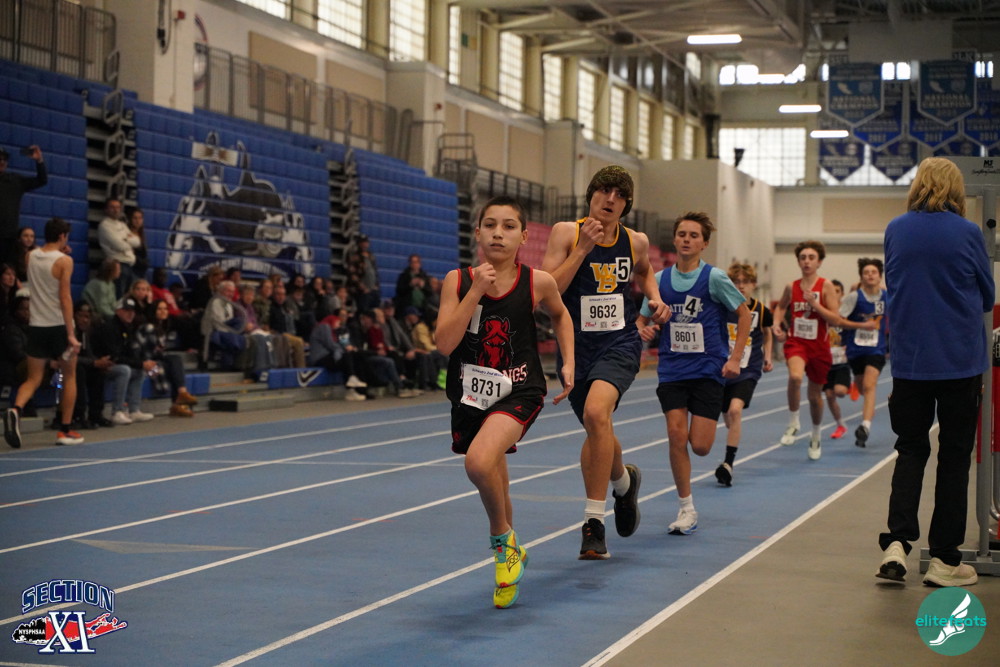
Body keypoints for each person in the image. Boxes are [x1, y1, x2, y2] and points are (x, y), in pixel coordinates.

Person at [436, 195, 574, 608]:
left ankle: (502, 543)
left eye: (509, 226)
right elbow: (444, 343)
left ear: (524, 236)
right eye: (491, 225)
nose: (499, 233)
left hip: (519, 389)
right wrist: (476, 290)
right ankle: (511, 560)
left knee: (479, 462)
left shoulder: (537, 282)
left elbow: (561, 315)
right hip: (470, 395)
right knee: (496, 476)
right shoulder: (457, 281)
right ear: (477, 232)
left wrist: (568, 362)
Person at [541, 165, 668, 559]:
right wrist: (582, 250)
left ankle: (593, 523)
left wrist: (654, 298)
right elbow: (547, 291)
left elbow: (645, 272)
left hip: (620, 342)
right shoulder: (566, 233)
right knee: (598, 428)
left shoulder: (635, 241)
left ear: (626, 204)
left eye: (619, 195)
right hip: (576, 349)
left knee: (597, 414)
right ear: (591, 195)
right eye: (604, 191)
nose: (610, 199)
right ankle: (624, 484)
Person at [876, 158, 992, 587]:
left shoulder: (895, 229)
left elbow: (896, 283)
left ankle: (897, 543)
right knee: (954, 458)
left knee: (910, 450)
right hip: (959, 360)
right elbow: (987, 294)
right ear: (956, 189)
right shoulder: (968, 232)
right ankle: (944, 559)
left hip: (910, 361)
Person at [637, 213, 750, 533]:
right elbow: (641, 320)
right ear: (675, 239)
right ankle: (686, 507)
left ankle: (691, 491)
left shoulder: (715, 278)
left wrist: (735, 358)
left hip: (707, 370)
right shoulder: (659, 280)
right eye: (682, 234)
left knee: (700, 446)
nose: (687, 239)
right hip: (672, 369)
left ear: (704, 243)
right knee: (676, 435)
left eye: (694, 235)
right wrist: (642, 330)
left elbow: (744, 315)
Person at [3, 217, 84, 448]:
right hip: (59, 325)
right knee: (69, 376)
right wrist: (71, 333)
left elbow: (43, 258)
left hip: (36, 327)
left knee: (33, 378)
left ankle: (15, 409)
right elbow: (65, 297)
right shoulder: (65, 261)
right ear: (62, 236)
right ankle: (65, 430)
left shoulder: (31, 256)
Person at [771, 240, 841, 461]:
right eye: (803, 258)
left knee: (814, 397)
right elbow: (781, 307)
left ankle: (816, 434)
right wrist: (776, 324)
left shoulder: (826, 286)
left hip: (819, 347)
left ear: (819, 262)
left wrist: (816, 305)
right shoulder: (791, 286)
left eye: (811, 258)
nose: (807, 261)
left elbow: (835, 319)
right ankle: (793, 423)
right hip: (797, 343)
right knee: (795, 377)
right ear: (798, 261)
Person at [713, 263, 773, 486]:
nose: (740, 286)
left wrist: (767, 356)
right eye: (736, 282)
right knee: (728, 417)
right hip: (722, 369)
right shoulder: (722, 307)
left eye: (745, 282)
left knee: (735, 410)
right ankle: (734, 436)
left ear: (753, 285)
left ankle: (728, 464)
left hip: (748, 369)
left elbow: (767, 334)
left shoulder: (761, 310)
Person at [838, 259, 887, 448]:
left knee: (869, 385)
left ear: (880, 276)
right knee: (863, 389)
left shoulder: (887, 297)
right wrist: (861, 325)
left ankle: (865, 426)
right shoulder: (853, 297)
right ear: (861, 277)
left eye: (873, 272)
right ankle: (866, 419)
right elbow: (838, 321)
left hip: (876, 349)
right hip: (855, 350)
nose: (870, 275)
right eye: (866, 272)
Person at [92, 296, 154, 425]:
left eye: (132, 311)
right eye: (126, 310)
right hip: (100, 365)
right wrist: (140, 363)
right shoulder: (109, 327)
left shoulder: (127, 327)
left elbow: (130, 352)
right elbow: (114, 356)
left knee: (139, 371)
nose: (130, 314)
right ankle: (117, 411)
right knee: (124, 370)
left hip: (115, 362)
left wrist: (143, 363)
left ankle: (134, 410)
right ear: (118, 311)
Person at [139, 299, 200, 417]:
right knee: (173, 364)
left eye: (165, 309)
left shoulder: (162, 327)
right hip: (146, 366)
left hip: (156, 362)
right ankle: (179, 399)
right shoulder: (149, 327)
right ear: (153, 311)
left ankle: (179, 400)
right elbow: (148, 353)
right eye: (159, 309)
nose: (163, 311)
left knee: (175, 362)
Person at [0, 145, 46, 269]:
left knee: (8, 272)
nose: (2, 162)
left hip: (9, 238)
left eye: (4, 159)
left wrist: (39, 160)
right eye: (0, 159)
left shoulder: (14, 180)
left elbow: (42, 180)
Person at [70, 301, 115, 429]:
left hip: (79, 366)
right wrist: (94, 362)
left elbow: (88, 355)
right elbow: (67, 358)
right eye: (81, 316)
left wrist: (101, 362)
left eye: (87, 317)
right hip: (58, 374)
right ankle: (77, 416)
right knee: (78, 371)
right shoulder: (68, 332)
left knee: (98, 372)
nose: (84, 320)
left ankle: (96, 415)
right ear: (73, 316)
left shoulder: (85, 333)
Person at [823, 280, 851, 441]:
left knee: (840, 392)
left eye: (837, 291)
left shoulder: (846, 313)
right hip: (826, 361)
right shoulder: (822, 312)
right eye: (831, 291)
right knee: (829, 394)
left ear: (842, 294)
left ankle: (852, 384)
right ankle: (841, 424)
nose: (834, 294)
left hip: (842, 361)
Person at [96, 198, 140, 298]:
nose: (116, 210)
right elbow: (119, 245)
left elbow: (137, 242)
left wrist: (125, 240)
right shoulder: (105, 226)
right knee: (118, 296)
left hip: (130, 265)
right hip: (117, 265)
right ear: (106, 209)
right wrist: (128, 241)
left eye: (118, 207)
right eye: (112, 207)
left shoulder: (122, 225)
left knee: (129, 297)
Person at [126, 207, 149, 280]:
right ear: (130, 219)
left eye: (140, 218)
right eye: (135, 218)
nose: (138, 221)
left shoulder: (142, 234)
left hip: (141, 270)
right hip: (131, 270)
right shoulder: (127, 233)